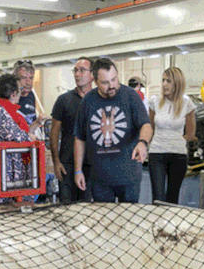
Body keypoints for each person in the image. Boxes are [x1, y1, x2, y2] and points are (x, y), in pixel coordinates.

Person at [73, 58, 153, 203]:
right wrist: (78, 170)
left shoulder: (131, 97)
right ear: (95, 81)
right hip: (100, 179)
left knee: (129, 216)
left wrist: (143, 143)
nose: (112, 86)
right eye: (105, 82)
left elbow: (146, 125)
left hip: (129, 177)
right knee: (103, 217)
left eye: (114, 79)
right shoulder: (87, 102)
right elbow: (80, 138)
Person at [0, 73, 46, 206]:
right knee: (1, 212)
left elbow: (22, 132)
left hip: (13, 174)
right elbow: (17, 135)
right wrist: (31, 138)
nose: (21, 94)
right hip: (3, 174)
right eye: (20, 90)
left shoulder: (11, 111)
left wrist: (37, 123)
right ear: (13, 93)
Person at [148, 67, 196, 204]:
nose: (164, 84)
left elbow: (190, 134)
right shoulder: (154, 101)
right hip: (157, 153)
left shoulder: (187, 103)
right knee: (158, 198)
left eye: (168, 81)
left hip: (178, 155)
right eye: (163, 80)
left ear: (177, 83)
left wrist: (175, 141)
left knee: (172, 199)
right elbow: (150, 128)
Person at [51, 57, 93, 204]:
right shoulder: (63, 100)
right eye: (75, 70)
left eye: (82, 70)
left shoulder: (98, 100)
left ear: (92, 75)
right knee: (67, 208)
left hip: (92, 165)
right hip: (67, 165)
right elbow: (54, 134)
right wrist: (56, 162)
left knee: (89, 208)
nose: (77, 74)